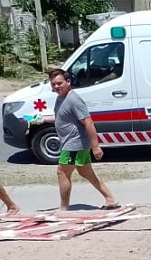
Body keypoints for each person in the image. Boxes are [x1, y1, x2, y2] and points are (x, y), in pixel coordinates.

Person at [48, 69, 119, 212]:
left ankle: (63, 208)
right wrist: (42, 119)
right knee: (85, 172)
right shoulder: (60, 98)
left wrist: (96, 147)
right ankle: (110, 199)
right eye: (54, 84)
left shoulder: (74, 99)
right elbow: (63, 118)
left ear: (68, 82)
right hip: (72, 143)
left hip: (74, 143)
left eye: (59, 83)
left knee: (62, 172)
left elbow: (88, 122)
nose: (56, 86)